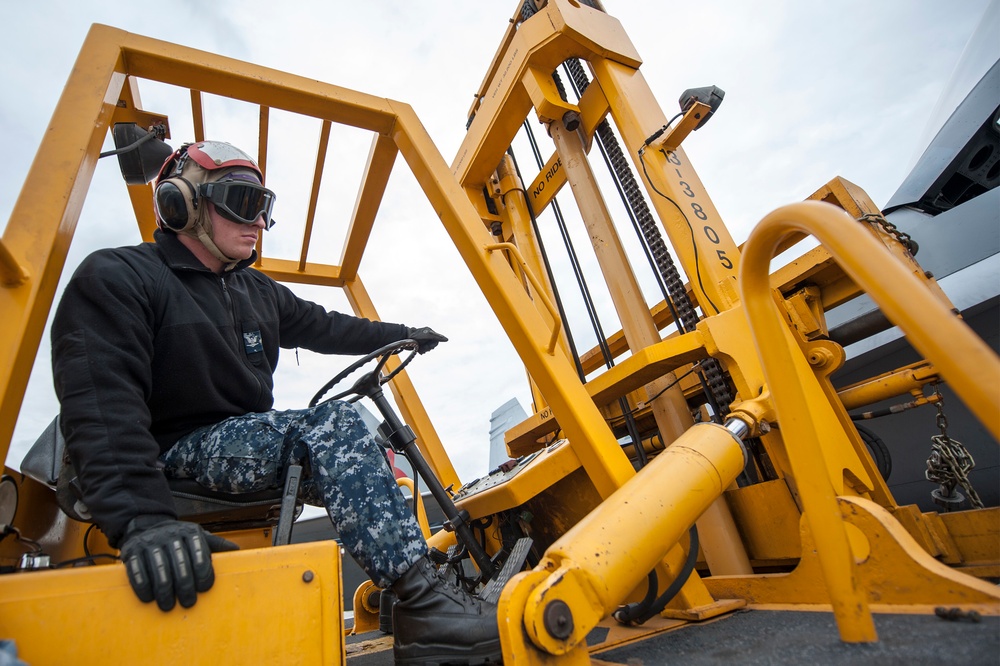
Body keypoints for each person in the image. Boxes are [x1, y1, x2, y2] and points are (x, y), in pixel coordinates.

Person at [51, 140, 501, 665]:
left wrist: (405, 333)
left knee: (369, 453)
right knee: (333, 427)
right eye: (242, 203)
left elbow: (327, 326)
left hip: (242, 443)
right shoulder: (120, 277)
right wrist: (142, 520)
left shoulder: (255, 291)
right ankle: (428, 609)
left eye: (263, 206)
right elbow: (104, 409)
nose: (258, 221)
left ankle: (412, 593)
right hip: (175, 450)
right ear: (182, 204)